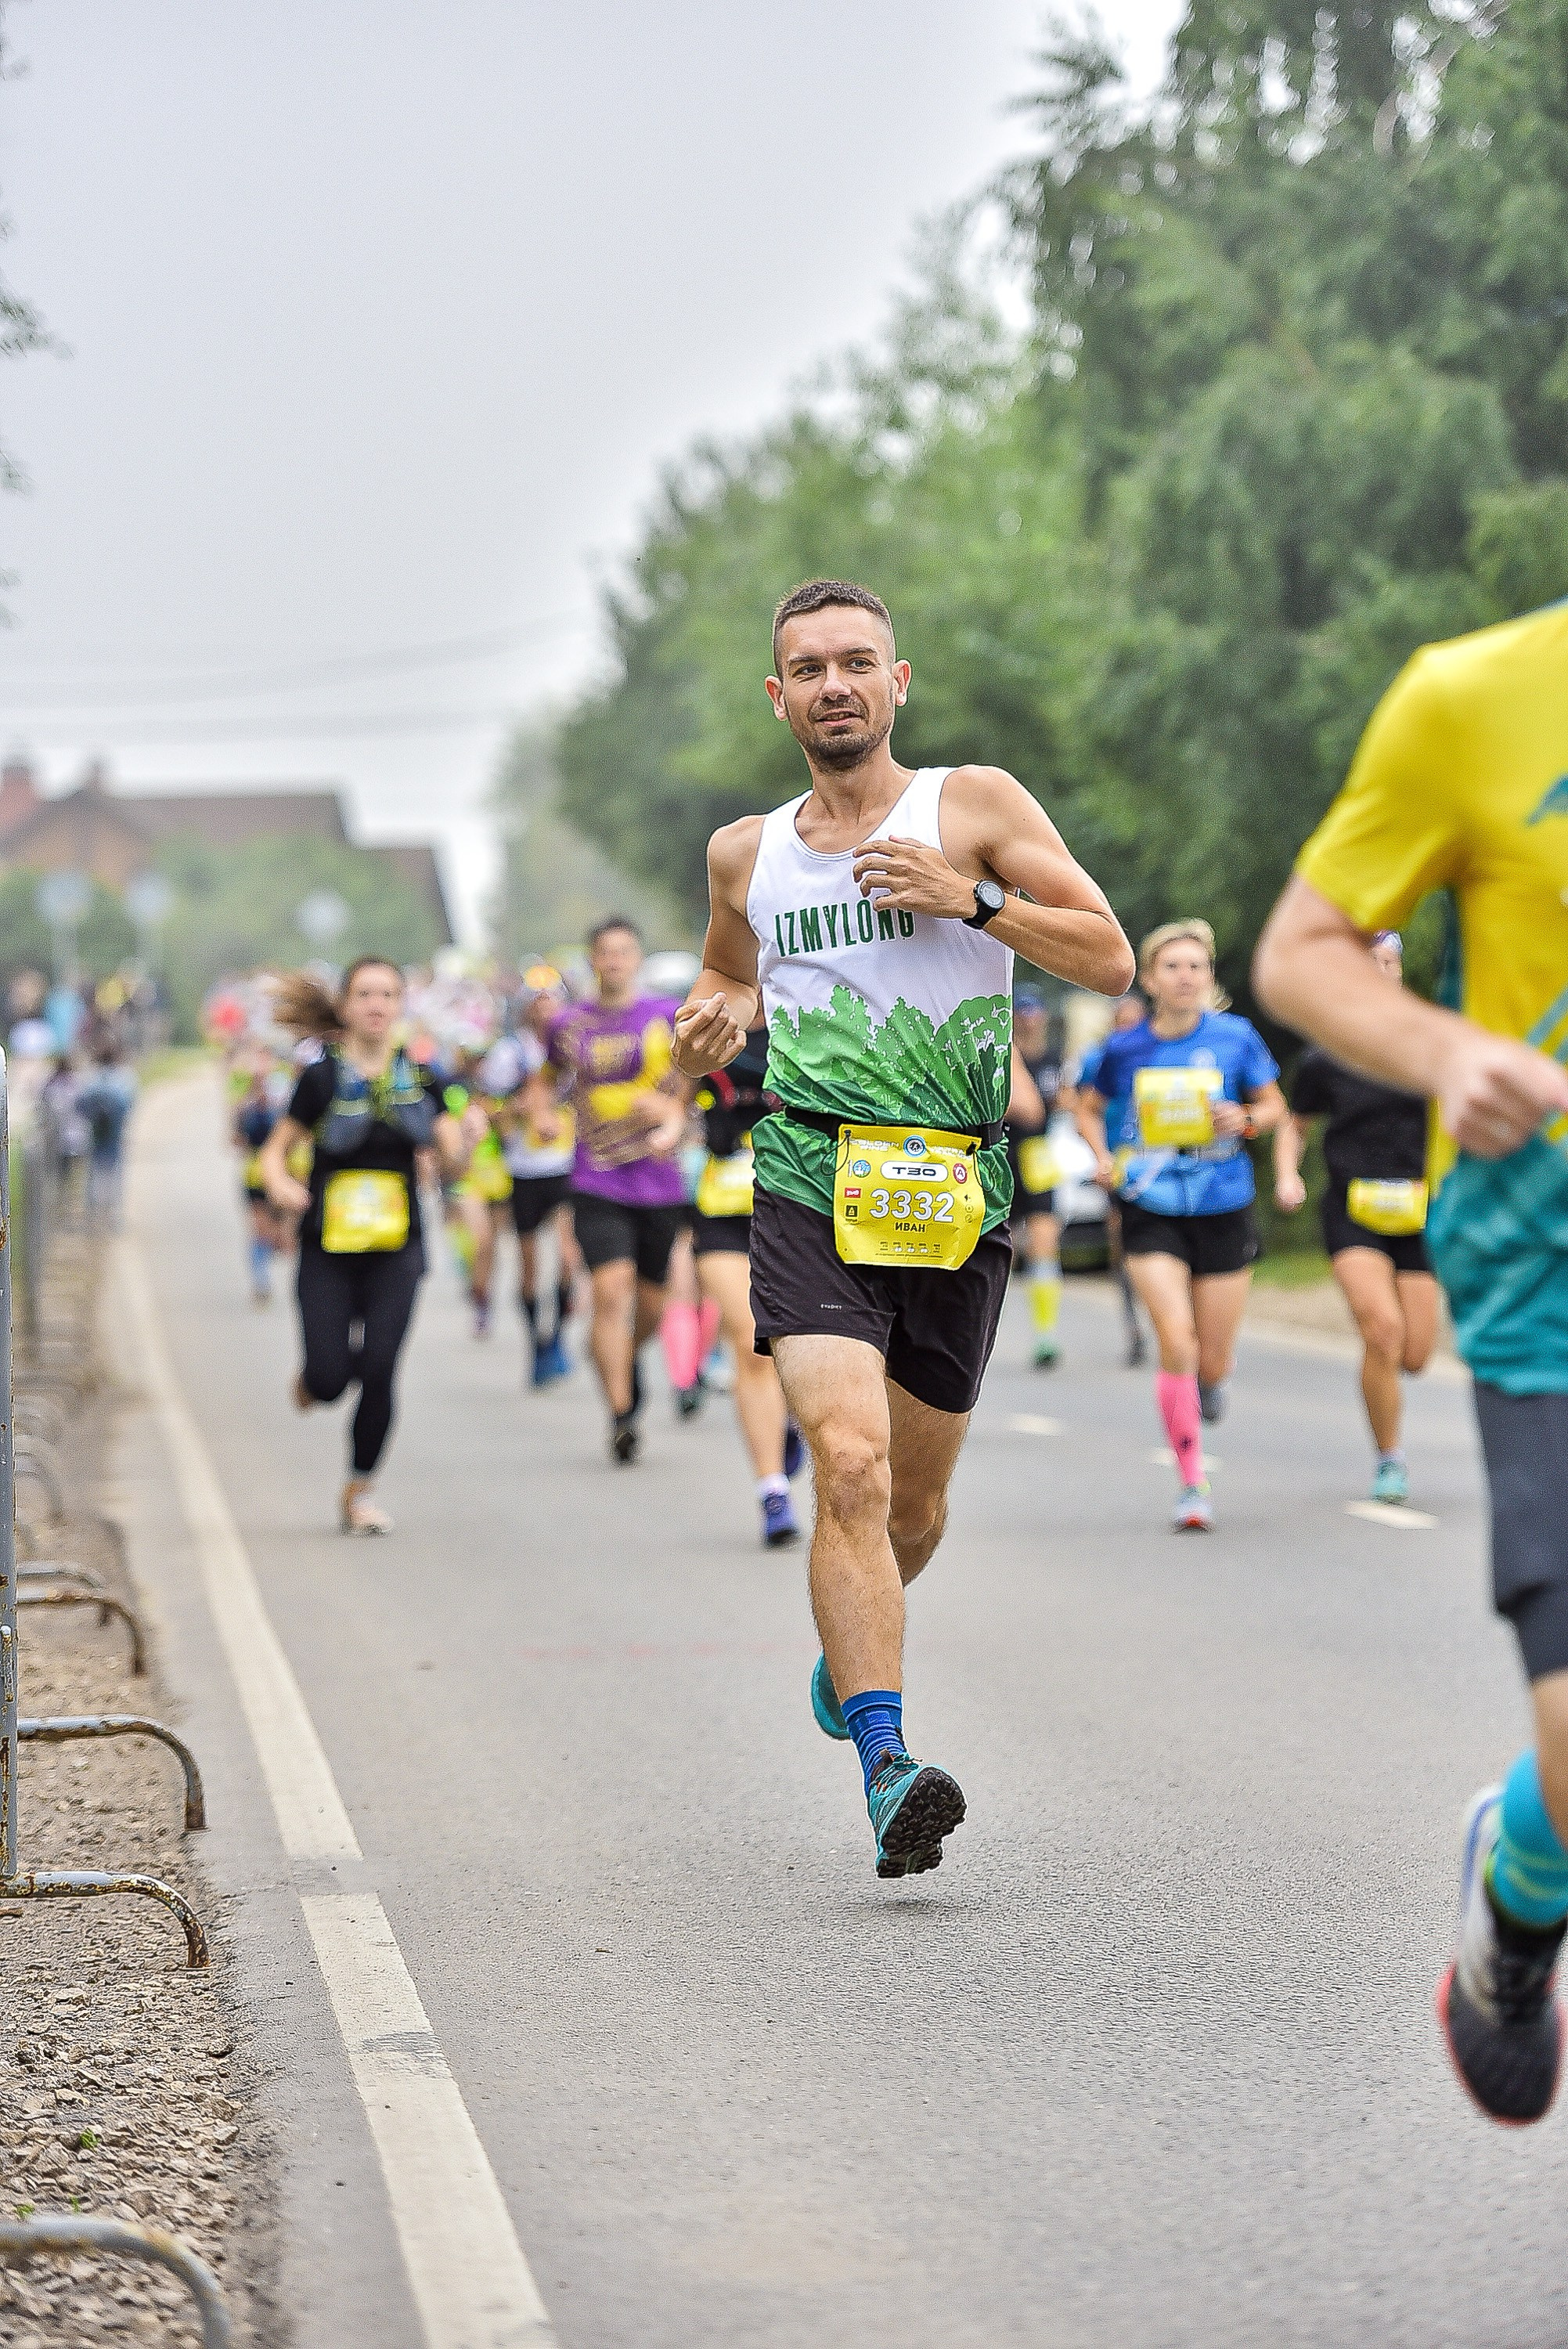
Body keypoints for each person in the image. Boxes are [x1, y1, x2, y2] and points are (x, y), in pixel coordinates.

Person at [672, 577, 1133, 1878]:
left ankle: (846, 1656)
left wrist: (967, 899)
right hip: (810, 1182)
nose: (832, 684)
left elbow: (1108, 956)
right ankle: (886, 1764)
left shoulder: (971, 807)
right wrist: (709, 1017)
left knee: (915, 1510)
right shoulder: (744, 853)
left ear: (895, 681)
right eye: (807, 667)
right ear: (778, 697)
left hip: (954, 1198)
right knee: (853, 1466)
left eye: (854, 662)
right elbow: (722, 967)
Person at [1254, 599, 1568, 2127]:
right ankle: (1517, 1892)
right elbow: (1300, 953)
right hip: (1546, 1266)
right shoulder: (1469, 701)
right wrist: (1444, 1051)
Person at [1075, 922, 1287, 1532]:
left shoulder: (1234, 1037)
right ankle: (1192, 1484)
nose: (1185, 976)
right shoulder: (1123, 1048)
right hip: (1150, 1202)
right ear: (1148, 978)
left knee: (1212, 1359)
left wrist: (1243, 1116)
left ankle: (1209, 1385)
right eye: (1172, 966)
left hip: (1223, 1203)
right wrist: (1102, 1156)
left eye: (1196, 966)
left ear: (1209, 977)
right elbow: (1084, 1105)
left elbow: (1275, 1108)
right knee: (1176, 1340)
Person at [259, 959, 478, 1535]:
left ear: (402, 1004)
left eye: (387, 994)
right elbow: (276, 1150)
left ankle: (358, 1491)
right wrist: (281, 1184)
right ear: (346, 1006)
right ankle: (313, 1377)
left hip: (395, 1248)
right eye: (364, 994)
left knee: (380, 1367)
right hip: (327, 1249)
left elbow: (451, 1160)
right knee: (331, 1380)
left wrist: (467, 1145)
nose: (376, 1004)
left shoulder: (426, 1079)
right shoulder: (321, 1079)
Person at [1273, 930, 1440, 1505]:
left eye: (1388, 961)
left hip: (1421, 1212)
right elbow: (1295, 1126)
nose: (1379, 971)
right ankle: (1389, 1459)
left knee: (1415, 1354)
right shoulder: (1326, 1056)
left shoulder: (1428, 1046)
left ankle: (1389, 1402)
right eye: (1367, 963)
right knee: (1381, 1331)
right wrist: (1287, 1175)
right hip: (1354, 1209)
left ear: (1399, 971)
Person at [525, 919, 690, 1463]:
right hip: (595, 1176)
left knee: (650, 1303)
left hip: (659, 1181)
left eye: (624, 952)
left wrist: (671, 1114)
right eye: (605, 953)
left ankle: (622, 1356)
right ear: (593, 961)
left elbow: (693, 1078)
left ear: (637, 958)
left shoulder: (666, 1015)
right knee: (609, 1291)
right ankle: (621, 1414)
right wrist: (544, 1114)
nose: (615, 961)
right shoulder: (569, 1025)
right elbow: (544, 1082)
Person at [689, 1023, 803, 1547]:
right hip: (723, 1213)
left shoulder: (812, 1026)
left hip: (797, 1212)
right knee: (750, 1341)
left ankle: (788, 1420)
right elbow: (671, 1087)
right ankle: (771, 1490)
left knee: (798, 1347)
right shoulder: (709, 1033)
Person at [481, 982, 579, 1387]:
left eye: (551, 999)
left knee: (570, 1259)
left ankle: (556, 1335)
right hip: (524, 1171)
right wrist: (516, 1110)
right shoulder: (510, 1053)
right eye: (538, 1002)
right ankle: (535, 1343)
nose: (545, 1008)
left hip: (567, 1166)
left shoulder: (574, 1043)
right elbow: (487, 1105)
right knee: (529, 1267)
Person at [1076, 991, 1152, 1366]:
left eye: (1136, 1020)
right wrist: (1099, 1155)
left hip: (1160, 1157)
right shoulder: (1101, 1056)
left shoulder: (1161, 1049)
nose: (1130, 1027)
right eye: (1123, 1020)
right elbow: (1078, 1106)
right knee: (1125, 1243)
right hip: (1119, 1160)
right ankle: (1135, 1327)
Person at [1005, 988, 1070, 1368]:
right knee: (1002, 1246)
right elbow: (1025, 1110)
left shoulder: (1052, 1058)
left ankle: (1046, 1335)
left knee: (1045, 1240)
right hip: (1002, 1152)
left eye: (1034, 1013)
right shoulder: (1001, 1053)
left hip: (1038, 1153)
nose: (1029, 1020)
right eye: (1022, 1013)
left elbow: (1064, 1103)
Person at [232, 1052, 294, 1303]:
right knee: (260, 1230)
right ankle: (261, 1282)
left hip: (285, 1174)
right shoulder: (246, 1107)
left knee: (281, 1234)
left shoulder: (286, 1100)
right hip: (256, 1175)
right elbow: (236, 1140)